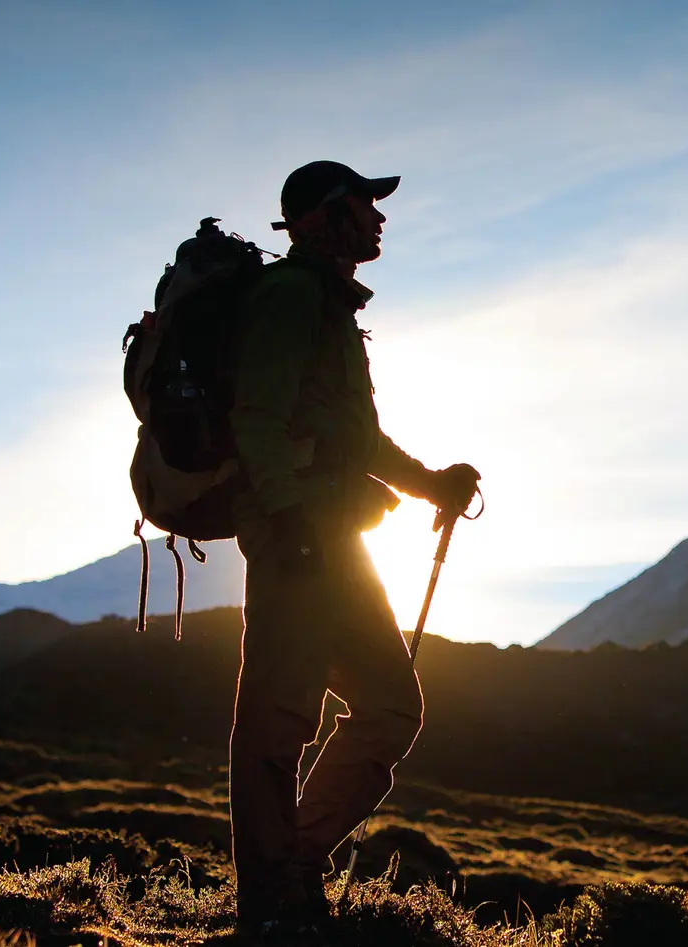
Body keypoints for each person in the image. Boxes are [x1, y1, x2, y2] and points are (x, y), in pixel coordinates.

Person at [226, 160, 480, 940]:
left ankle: (292, 874)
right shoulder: (291, 297)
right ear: (318, 219)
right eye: (361, 204)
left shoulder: (330, 309)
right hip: (302, 539)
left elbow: (357, 437)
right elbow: (256, 416)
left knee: (389, 707)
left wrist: (431, 483)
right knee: (279, 718)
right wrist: (291, 520)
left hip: (333, 539)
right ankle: (274, 905)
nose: (377, 217)